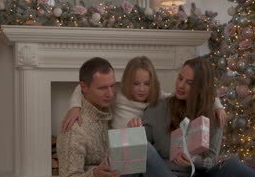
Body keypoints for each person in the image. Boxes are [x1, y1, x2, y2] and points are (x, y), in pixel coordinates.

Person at [56, 57, 233, 177]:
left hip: (126, 176)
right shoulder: (76, 127)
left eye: (112, 86)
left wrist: (216, 103)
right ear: (84, 88)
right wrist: (95, 174)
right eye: (103, 88)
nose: (110, 93)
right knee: (140, 145)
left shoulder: (124, 102)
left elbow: (193, 91)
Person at [61, 56, 227, 132]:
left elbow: (200, 92)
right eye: (136, 84)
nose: (142, 89)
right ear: (127, 82)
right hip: (117, 147)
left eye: (147, 84)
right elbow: (81, 87)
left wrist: (217, 105)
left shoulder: (158, 97)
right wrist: (75, 107)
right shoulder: (117, 95)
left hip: (142, 149)